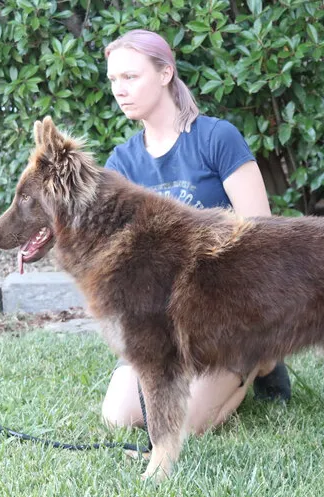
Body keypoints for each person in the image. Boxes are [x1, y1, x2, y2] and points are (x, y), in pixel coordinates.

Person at [99, 29, 291, 435]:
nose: (119, 89)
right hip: (164, 323)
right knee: (120, 417)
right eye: (113, 79)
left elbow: (264, 236)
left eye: (130, 77)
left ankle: (257, 365)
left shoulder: (216, 138)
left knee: (184, 424)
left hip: (227, 316)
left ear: (166, 73)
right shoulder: (122, 161)